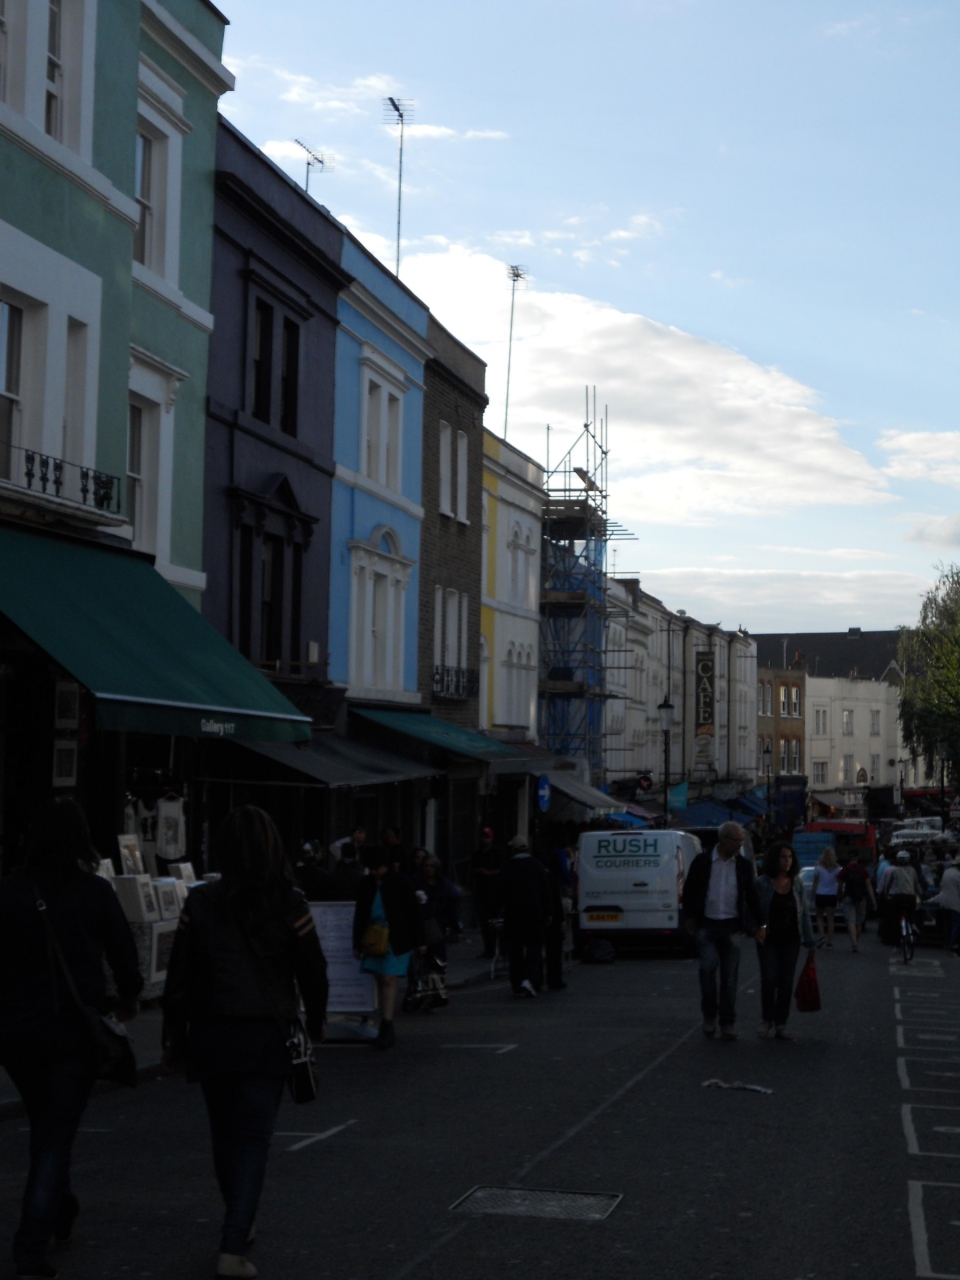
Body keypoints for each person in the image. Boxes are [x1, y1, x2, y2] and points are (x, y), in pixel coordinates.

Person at [162, 806, 328, 1280]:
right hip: (265, 1031)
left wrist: (175, 1037)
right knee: (254, 1139)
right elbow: (313, 969)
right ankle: (233, 1244)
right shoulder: (289, 902)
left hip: (212, 1030)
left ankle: (239, 1217)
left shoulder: (200, 901)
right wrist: (316, 1021)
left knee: (224, 1135)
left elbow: (179, 976)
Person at [0, 798, 143, 1280]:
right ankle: (31, 1246)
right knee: (54, 1136)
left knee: (46, 1126)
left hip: (17, 1031)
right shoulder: (94, 892)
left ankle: (59, 1207)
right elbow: (124, 956)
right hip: (73, 1031)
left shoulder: (9, 891)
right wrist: (128, 997)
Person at [682, 820, 765, 1040]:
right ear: (723, 840)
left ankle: (727, 1022)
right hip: (707, 925)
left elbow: (752, 895)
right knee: (707, 970)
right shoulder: (702, 862)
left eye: (741, 841)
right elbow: (689, 890)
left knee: (729, 979)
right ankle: (709, 1016)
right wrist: (689, 917)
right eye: (736, 840)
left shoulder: (742, 865)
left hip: (732, 926)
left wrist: (761, 924)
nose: (740, 845)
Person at [353, 846, 425, 1047]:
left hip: (395, 936)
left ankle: (387, 1023)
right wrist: (357, 943)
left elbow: (413, 910)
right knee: (380, 978)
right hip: (374, 936)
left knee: (388, 978)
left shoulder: (400, 881)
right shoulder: (366, 883)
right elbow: (360, 914)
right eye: (372, 869)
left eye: (378, 868)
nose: (375, 872)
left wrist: (420, 940)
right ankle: (385, 1022)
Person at [755, 843, 816, 1039]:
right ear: (775, 859)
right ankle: (766, 1020)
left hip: (791, 939)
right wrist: (758, 928)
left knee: (786, 982)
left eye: (789, 857)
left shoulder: (797, 883)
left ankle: (781, 1023)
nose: (787, 861)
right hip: (769, 939)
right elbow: (754, 910)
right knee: (769, 979)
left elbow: (804, 913)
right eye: (783, 857)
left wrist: (810, 940)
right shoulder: (762, 883)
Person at [406, 854, 460, 1012]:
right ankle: (416, 995)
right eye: (426, 866)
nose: (429, 869)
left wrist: (455, 928)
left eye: (432, 866)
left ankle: (432, 999)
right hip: (419, 926)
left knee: (436, 964)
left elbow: (451, 907)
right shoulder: (415, 882)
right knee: (418, 965)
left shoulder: (444, 884)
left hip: (438, 928)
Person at [500, 835, 551, 997]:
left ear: (513, 850)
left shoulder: (507, 867)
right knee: (534, 948)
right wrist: (548, 912)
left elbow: (500, 892)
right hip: (534, 914)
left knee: (515, 950)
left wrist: (498, 911)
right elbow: (545, 891)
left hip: (513, 914)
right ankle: (531, 981)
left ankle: (517, 983)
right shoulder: (537, 866)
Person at [472, 827, 504, 959]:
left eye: (487, 837)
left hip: (494, 893)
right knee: (484, 923)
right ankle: (489, 949)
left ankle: (498, 949)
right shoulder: (477, 854)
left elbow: (502, 870)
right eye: (483, 837)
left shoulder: (497, 853)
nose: (484, 839)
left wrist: (489, 873)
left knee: (494, 922)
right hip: (481, 892)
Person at [837, 852, 876, 953]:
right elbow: (868, 885)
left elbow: (840, 885)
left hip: (848, 897)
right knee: (859, 923)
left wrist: (840, 896)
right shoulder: (863, 870)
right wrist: (873, 900)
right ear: (857, 858)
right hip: (860, 898)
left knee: (851, 921)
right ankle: (856, 941)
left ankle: (854, 943)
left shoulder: (844, 870)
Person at [543, 848, 570, 990]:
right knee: (554, 951)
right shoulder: (553, 880)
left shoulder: (543, 876)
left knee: (539, 950)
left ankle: (538, 980)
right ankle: (554, 980)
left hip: (540, 916)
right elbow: (556, 901)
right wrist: (561, 920)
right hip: (552, 919)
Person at [884, 849, 923, 944]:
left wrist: (887, 894)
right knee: (911, 913)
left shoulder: (895, 871)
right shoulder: (913, 870)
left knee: (896, 918)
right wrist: (921, 894)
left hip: (898, 897)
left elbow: (888, 885)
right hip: (910, 897)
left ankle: (897, 942)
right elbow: (916, 884)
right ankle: (913, 925)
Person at [812, 846, 840, 947]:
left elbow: (815, 882)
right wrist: (839, 894)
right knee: (830, 919)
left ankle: (822, 936)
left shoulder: (818, 867)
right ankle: (830, 942)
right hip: (832, 894)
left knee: (819, 917)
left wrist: (812, 894)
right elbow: (839, 882)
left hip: (820, 894)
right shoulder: (837, 868)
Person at [939, 855, 960, 953]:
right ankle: (953, 942)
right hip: (955, 903)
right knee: (957, 923)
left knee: (947, 923)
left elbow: (941, 885)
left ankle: (946, 942)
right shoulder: (958, 875)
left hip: (945, 901)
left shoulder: (946, 872)